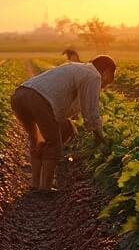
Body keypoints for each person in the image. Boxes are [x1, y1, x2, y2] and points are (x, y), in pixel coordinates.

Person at [11, 56, 116, 193]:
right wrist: (98, 134)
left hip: (19, 95)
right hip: (39, 100)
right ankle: (45, 188)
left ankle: (35, 184)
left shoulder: (77, 67)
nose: (107, 83)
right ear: (107, 71)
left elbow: (66, 108)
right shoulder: (93, 75)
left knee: (37, 140)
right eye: (110, 77)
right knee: (54, 143)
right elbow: (90, 110)